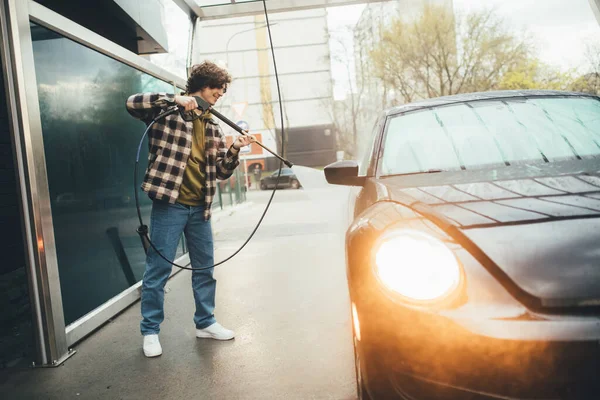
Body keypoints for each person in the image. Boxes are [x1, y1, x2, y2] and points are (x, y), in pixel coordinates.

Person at [126, 60, 255, 358]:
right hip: (170, 204)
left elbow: (221, 172)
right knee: (158, 270)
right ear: (203, 85)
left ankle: (206, 322)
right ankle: (150, 331)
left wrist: (234, 149)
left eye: (222, 91)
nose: (220, 94)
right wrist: (174, 99)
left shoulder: (212, 124)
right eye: (217, 89)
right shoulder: (167, 111)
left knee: (205, 269)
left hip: (201, 208)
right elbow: (131, 103)